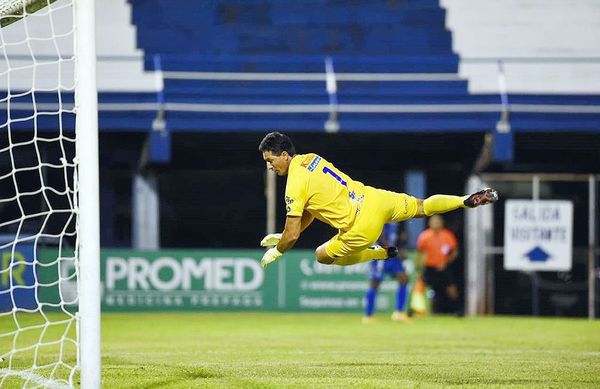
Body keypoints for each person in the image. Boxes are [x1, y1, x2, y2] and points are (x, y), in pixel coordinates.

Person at [258, 132, 498, 270]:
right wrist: (287, 233)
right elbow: (309, 208)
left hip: (360, 225)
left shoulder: (294, 183)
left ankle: (377, 254)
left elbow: (292, 236)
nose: (269, 166)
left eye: (270, 160)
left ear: (285, 155)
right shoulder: (311, 158)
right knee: (422, 206)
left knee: (322, 255)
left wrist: (278, 250)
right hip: (373, 197)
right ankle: (464, 200)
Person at [363, 223, 411, 323]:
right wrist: (392, 249)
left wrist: (401, 246)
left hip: (393, 255)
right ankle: (368, 315)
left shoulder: (399, 217)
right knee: (375, 283)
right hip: (381, 252)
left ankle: (399, 313)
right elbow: (379, 233)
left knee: (403, 278)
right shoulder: (383, 215)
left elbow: (402, 233)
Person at [416, 215, 462, 315]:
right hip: (429, 267)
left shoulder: (447, 235)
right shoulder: (424, 236)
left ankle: (458, 310)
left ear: (442, 223)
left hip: (443, 267)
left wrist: (446, 263)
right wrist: (419, 266)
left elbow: (455, 252)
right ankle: (416, 310)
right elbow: (420, 253)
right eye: (434, 222)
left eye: (438, 222)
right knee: (420, 288)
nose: (436, 224)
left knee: (451, 288)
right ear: (430, 223)